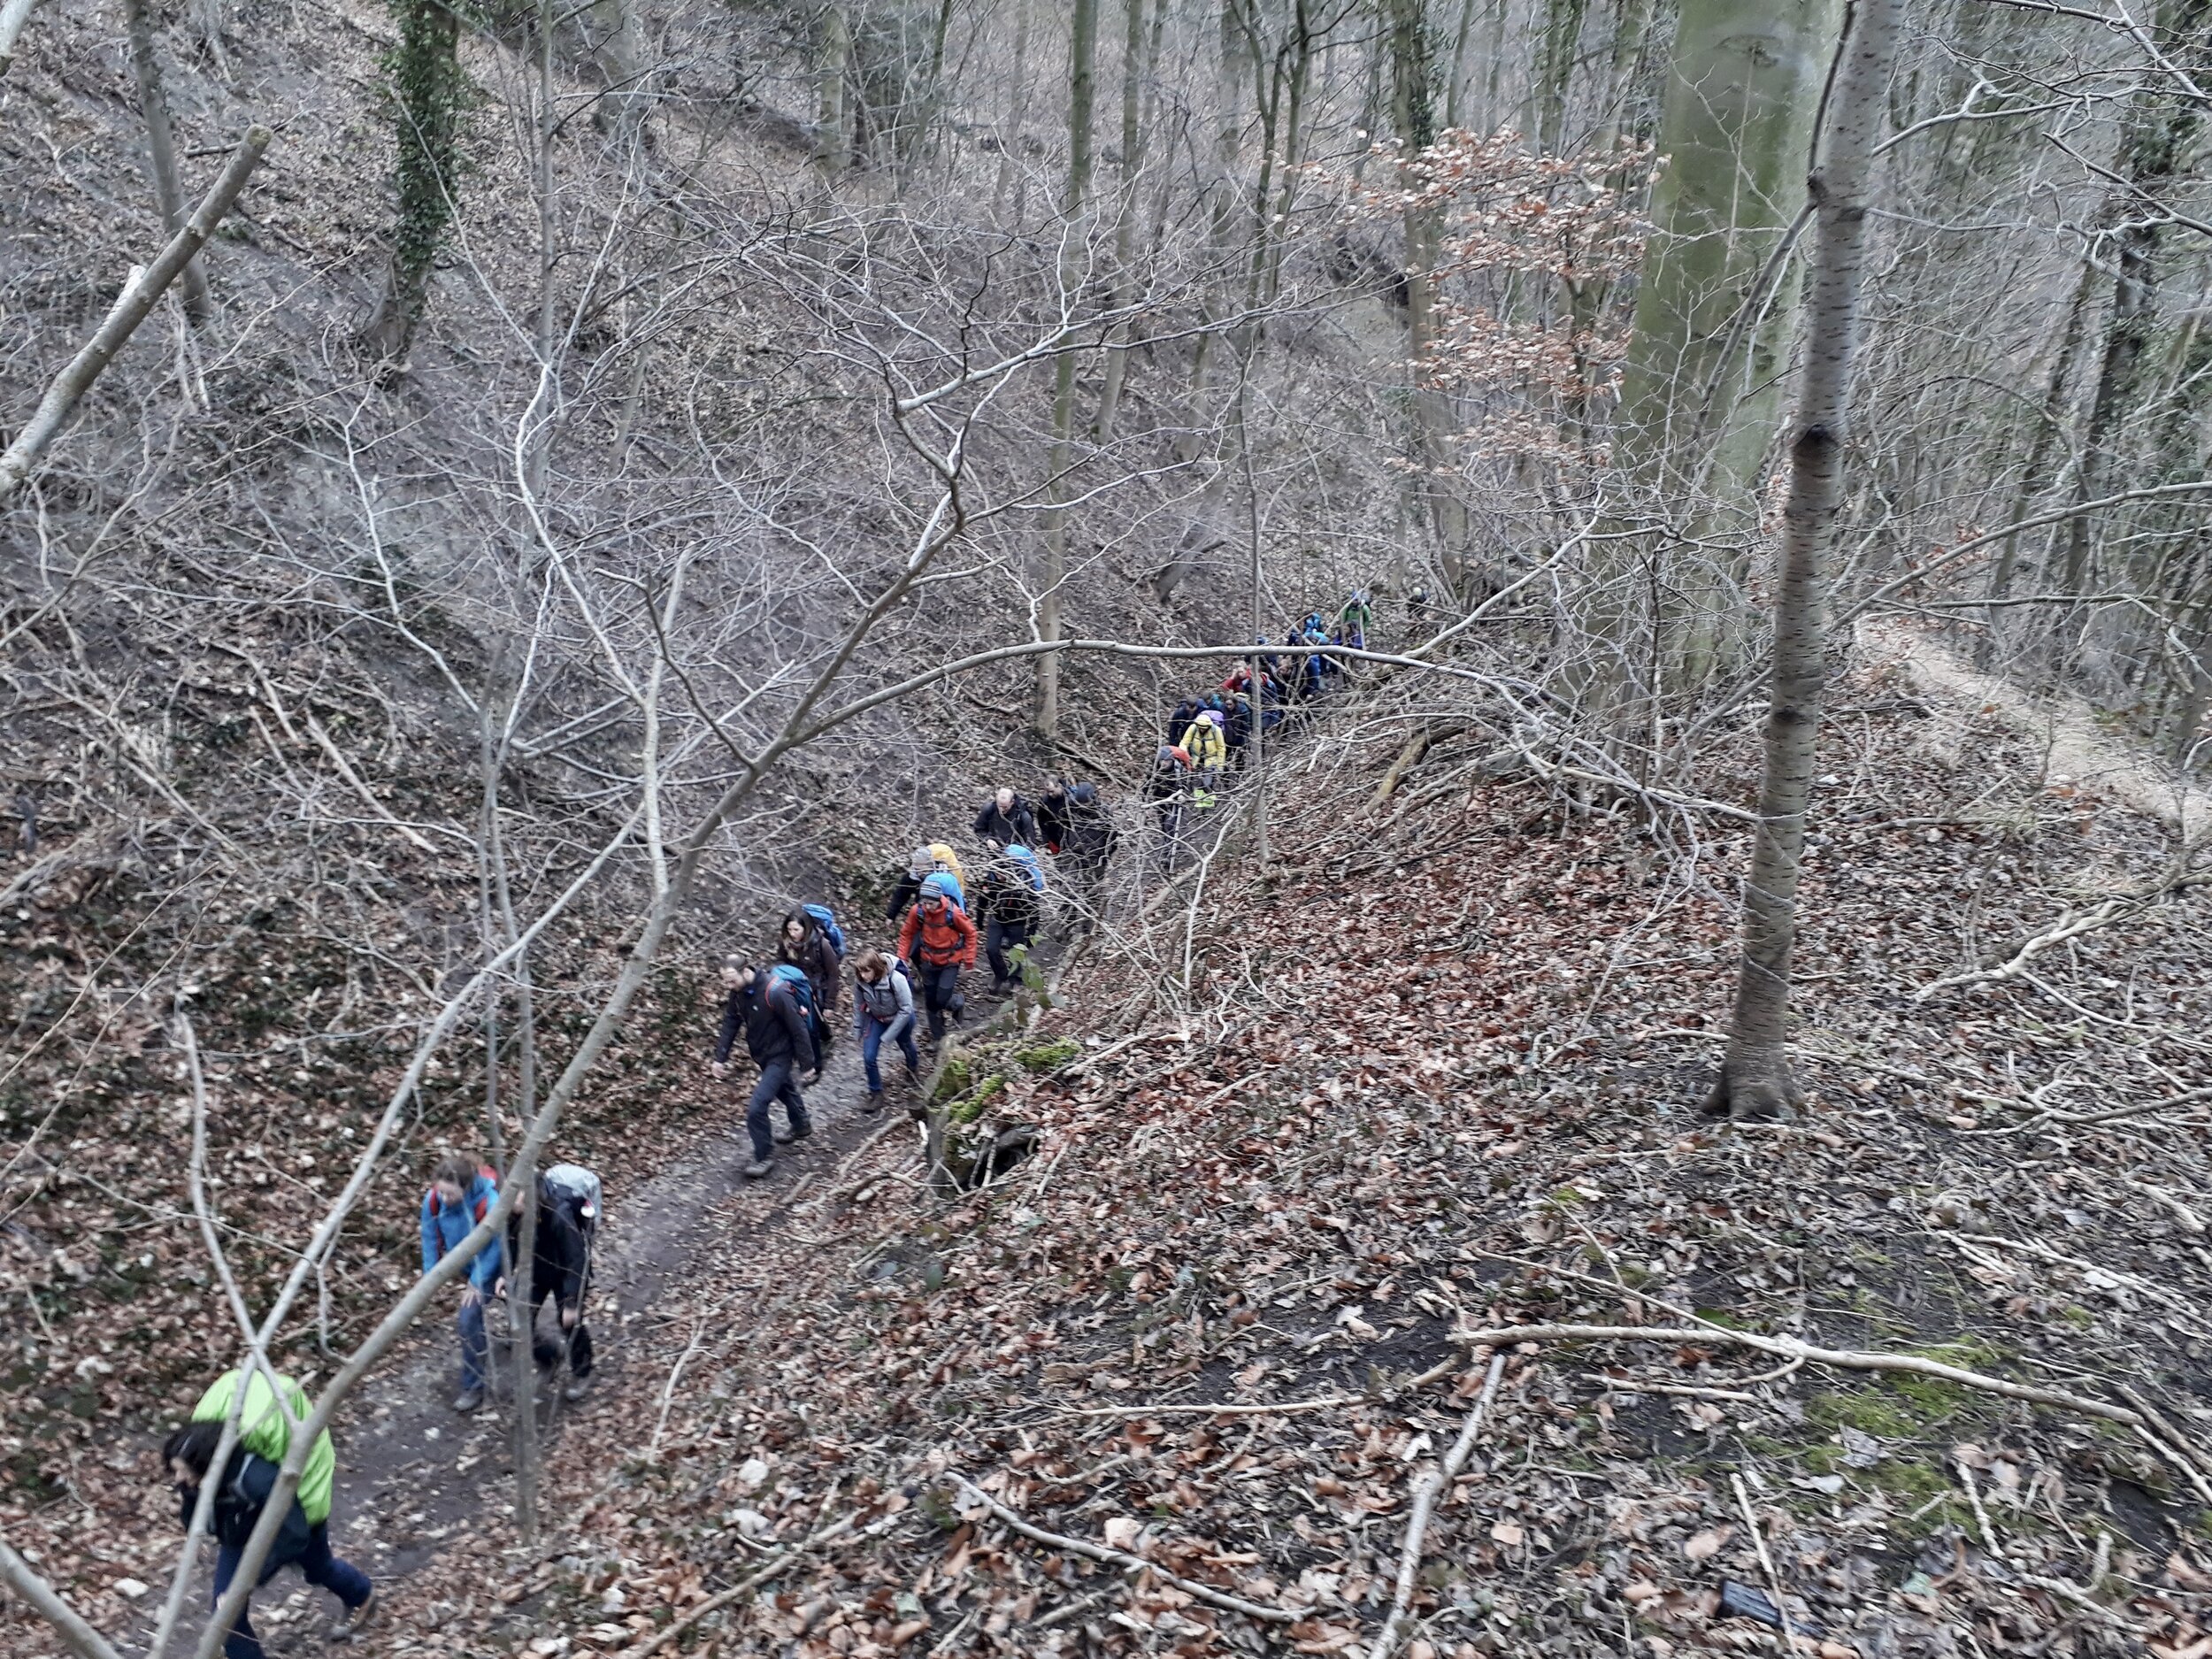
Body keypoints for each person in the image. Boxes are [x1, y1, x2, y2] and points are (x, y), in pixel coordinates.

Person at [172, 1370, 375, 1655]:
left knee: (317, 1568)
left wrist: (249, 1581)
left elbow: (294, 1533)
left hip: (294, 1520)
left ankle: (360, 1595)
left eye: (184, 1473)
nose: (179, 1479)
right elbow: (194, 1519)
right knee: (228, 1616)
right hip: (241, 1523)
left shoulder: (256, 1476)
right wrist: (194, 1492)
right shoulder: (207, 1471)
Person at [497, 1163, 600, 1400]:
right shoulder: (514, 1215)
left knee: (568, 1323)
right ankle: (550, 1356)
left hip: (565, 1271)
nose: (511, 1202)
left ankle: (582, 1371)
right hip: (537, 1270)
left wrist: (572, 1302)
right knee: (521, 1320)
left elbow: (577, 1260)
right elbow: (511, 1244)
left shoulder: (558, 1215)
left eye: (516, 1196)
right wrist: (505, 1274)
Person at [715, 956, 818, 1179]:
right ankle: (801, 1124)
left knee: (756, 1108)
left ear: (746, 971)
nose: (728, 987)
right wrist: (720, 1058)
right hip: (762, 1054)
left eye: (730, 981)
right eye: (724, 982)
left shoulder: (776, 992)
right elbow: (731, 1023)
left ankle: (764, 1156)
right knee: (784, 1089)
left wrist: (807, 1064)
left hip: (780, 1056)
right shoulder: (738, 993)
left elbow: (798, 1029)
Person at [419, 1152, 502, 1413]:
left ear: (466, 1188)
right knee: (471, 1324)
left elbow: (497, 1247)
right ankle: (475, 1385)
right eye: (441, 1193)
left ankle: (548, 1353)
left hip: (499, 1269)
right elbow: (429, 1235)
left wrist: (477, 1281)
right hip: (469, 1267)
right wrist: (430, 1274)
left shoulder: (490, 1202)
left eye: (450, 1195)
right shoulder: (433, 1200)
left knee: (475, 1320)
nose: (444, 1199)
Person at [897, 875, 977, 1041]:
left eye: (930, 904)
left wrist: (969, 962)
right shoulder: (917, 911)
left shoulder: (953, 913)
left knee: (942, 997)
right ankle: (938, 1037)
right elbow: (907, 933)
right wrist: (902, 958)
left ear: (939, 900)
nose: (927, 907)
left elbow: (970, 933)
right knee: (931, 1001)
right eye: (924, 903)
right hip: (928, 961)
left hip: (950, 961)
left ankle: (957, 1002)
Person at [853, 950, 921, 1105]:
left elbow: (906, 1008)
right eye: (860, 971)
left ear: (875, 968)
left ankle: (913, 1068)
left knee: (905, 1044)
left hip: (901, 1018)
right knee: (869, 1057)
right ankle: (876, 1092)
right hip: (876, 1018)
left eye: (866, 971)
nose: (863, 976)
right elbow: (859, 1005)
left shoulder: (896, 979)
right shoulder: (860, 983)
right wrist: (858, 1028)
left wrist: (889, 1035)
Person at [979, 841, 1045, 992]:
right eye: (998, 874)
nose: (999, 877)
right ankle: (1001, 975)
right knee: (991, 949)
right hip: (997, 917)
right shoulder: (992, 877)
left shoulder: (1024, 884)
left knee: (1016, 953)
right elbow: (983, 897)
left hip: (1017, 921)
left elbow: (1034, 910)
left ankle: (1015, 979)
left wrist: (1031, 933)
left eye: (1002, 875)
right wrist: (980, 918)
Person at [775, 909, 841, 1048]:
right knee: (804, 1019)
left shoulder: (823, 945)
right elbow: (780, 962)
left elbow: (834, 974)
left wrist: (829, 1004)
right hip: (796, 986)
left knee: (816, 1020)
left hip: (818, 989)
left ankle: (824, 1041)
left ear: (806, 928)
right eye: (789, 929)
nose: (792, 934)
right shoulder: (786, 943)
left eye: (796, 929)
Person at [885, 844, 966, 921]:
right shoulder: (911, 876)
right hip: (923, 914)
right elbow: (901, 895)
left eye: (924, 870)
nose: (920, 873)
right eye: (918, 869)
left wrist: (960, 920)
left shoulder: (944, 877)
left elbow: (957, 898)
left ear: (931, 864)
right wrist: (891, 915)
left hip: (943, 916)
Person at [972, 785, 1038, 849]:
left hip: (1014, 852)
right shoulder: (989, 809)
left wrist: (1016, 850)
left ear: (1012, 802)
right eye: (999, 806)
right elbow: (978, 829)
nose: (1001, 810)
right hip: (991, 848)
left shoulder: (1023, 816)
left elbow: (1030, 843)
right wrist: (987, 840)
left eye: (1005, 807)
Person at [1179, 708, 1227, 787]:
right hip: (1195, 759)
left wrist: (1220, 765)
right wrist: (1184, 756)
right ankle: (1195, 797)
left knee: (1207, 784)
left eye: (1204, 728)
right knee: (1194, 783)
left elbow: (1221, 748)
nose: (1201, 730)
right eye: (1200, 728)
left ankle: (1207, 796)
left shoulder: (1216, 730)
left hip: (1211, 760)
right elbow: (1184, 742)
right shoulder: (1193, 728)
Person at [1037, 780, 1072, 855]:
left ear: (1059, 786)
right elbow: (1041, 821)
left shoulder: (1070, 799)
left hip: (1070, 838)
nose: (1050, 794)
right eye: (1048, 792)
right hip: (1054, 838)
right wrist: (1046, 842)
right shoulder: (1045, 801)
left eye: (1052, 791)